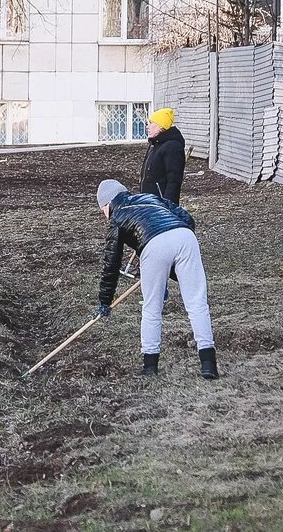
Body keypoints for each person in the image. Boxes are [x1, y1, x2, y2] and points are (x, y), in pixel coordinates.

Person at [93, 179, 218, 379]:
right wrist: (174, 261)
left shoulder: (117, 217)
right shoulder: (150, 198)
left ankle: (150, 366)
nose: (104, 215)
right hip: (185, 237)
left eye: (102, 211)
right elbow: (187, 218)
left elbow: (111, 263)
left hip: (154, 246)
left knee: (152, 307)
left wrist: (104, 302)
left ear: (107, 205)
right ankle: (209, 364)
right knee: (197, 303)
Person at [139, 107, 186, 204]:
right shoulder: (156, 144)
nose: (147, 126)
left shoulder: (172, 147)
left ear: (161, 126)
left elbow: (174, 180)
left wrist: (168, 205)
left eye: (151, 123)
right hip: (151, 202)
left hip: (161, 205)